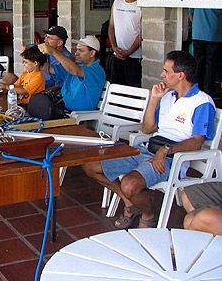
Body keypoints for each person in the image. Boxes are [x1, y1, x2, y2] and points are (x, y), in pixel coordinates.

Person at [83, 51, 216, 229]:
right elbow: (147, 129)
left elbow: (197, 142)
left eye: (166, 71)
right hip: (147, 149)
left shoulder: (202, 102)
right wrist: (154, 100)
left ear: (181, 75)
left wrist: (166, 150)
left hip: (172, 158)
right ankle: (129, 203)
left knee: (129, 184)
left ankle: (148, 214)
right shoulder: (168, 96)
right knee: (91, 166)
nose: (162, 75)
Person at [38, 35, 106, 112]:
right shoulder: (77, 66)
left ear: (92, 53)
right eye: (77, 49)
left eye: (81, 50)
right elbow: (50, 69)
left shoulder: (97, 70)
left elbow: (74, 70)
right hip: (62, 109)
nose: (76, 53)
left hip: (80, 117)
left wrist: (53, 51)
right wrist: (34, 56)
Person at [108, 0, 142, 87]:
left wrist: (129, 51)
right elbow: (112, 26)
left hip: (135, 57)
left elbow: (142, 33)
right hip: (117, 54)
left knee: (132, 88)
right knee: (115, 87)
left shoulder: (141, 6)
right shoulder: (116, 3)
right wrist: (114, 47)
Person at [189, 8, 222, 98]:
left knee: (198, 63)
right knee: (211, 64)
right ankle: (208, 91)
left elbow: (190, 14)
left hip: (197, 33)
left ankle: (196, 89)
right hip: (213, 33)